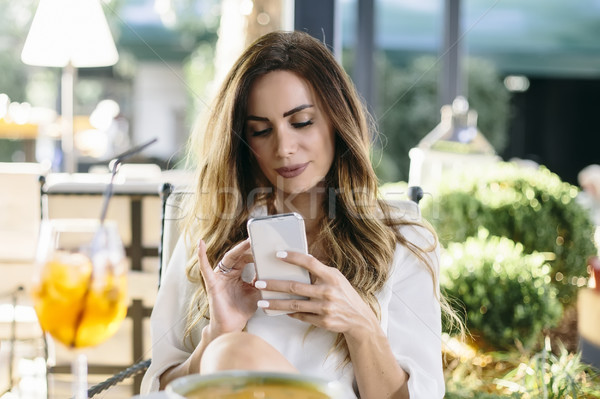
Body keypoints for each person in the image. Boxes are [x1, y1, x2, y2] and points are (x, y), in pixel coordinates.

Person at [141, 30, 456, 398]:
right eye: (260, 131)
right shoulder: (209, 235)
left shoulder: (403, 239)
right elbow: (159, 391)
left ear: (338, 121)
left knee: (234, 352)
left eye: (302, 122)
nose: (284, 148)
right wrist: (217, 333)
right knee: (230, 349)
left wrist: (361, 327)